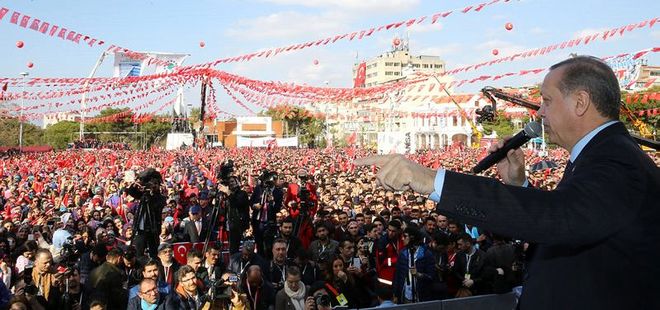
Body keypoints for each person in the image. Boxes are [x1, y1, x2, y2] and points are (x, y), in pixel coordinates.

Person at [356, 55, 660, 309]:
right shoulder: (603, 155)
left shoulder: (616, 162)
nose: (540, 112)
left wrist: (425, 177)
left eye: (547, 101)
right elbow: (574, 221)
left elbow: (558, 219)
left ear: (580, 102)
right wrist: (519, 187)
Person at [128, 168, 166, 258]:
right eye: (152, 184)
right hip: (141, 229)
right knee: (138, 253)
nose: (154, 186)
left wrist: (151, 195)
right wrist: (135, 185)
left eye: (156, 184)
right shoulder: (143, 194)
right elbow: (132, 192)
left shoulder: (161, 197)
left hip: (153, 229)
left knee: (154, 254)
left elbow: (156, 206)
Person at [393, 225, 437, 303]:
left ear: (412, 238)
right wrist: (396, 294)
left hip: (420, 296)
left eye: (405, 236)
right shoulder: (402, 253)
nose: (402, 238)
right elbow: (397, 275)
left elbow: (431, 276)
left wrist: (419, 275)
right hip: (405, 295)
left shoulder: (426, 254)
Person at [219, 176, 250, 255]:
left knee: (234, 249)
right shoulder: (226, 196)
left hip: (238, 225)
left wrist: (228, 193)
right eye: (229, 182)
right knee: (231, 248)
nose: (231, 183)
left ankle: (235, 264)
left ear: (238, 182)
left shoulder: (242, 193)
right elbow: (223, 211)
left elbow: (236, 203)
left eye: (233, 181)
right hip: (228, 224)